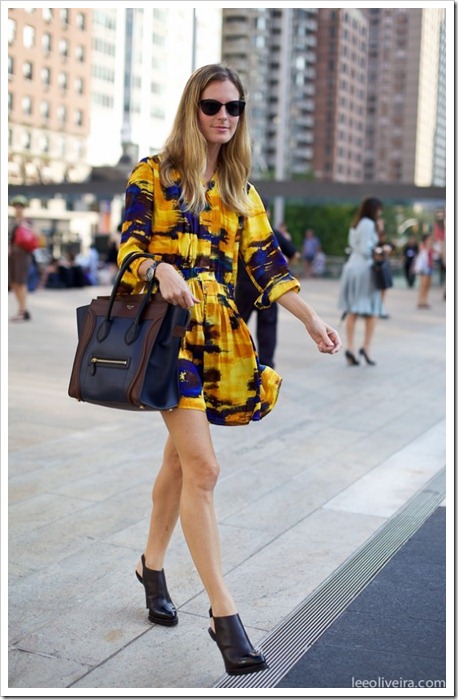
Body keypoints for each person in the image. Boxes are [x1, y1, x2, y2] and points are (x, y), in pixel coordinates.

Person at [118, 63, 341, 677]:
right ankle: (225, 617)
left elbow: (268, 265)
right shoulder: (155, 174)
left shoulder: (242, 190)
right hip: (167, 336)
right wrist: (158, 270)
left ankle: (151, 566)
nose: (223, 116)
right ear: (193, 108)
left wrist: (310, 318)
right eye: (212, 105)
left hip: (217, 337)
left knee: (178, 461)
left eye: (234, 107)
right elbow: (129, 246)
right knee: (204, 466)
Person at [235, 205, 299, 368]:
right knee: (267, 327)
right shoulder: (273, 234)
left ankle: (235, 360)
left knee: (237, 326)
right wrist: (284, 268)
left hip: (243, 287)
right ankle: (267, 365)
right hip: (267, 288)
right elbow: (295, 254)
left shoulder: (238, 230)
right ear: (267, 212)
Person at [338, 196, 384, 366]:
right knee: (372, 309)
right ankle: (366, 346)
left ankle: (350, 347)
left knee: (352, 309)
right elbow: (367, 249)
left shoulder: (356, 223)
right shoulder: (369, 224)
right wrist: (381, 247)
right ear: (374, 209)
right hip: (365, 269)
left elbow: (355, 245)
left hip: (351, 266)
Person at [8, 195, 34, 321]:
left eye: (20, 206)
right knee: (13, 283)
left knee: (21, 282)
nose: (18, 208)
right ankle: (21, 309)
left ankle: (23, 311)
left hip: (23, 254)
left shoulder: (27, 222)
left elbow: (34, 236)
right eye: (16, 206)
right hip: (11, 255)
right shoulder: (11, 221)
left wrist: (24, 226)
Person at [415, 233, 434, 309]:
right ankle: (420, 301)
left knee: (427, 286)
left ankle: (425, 301)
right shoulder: (422, 245)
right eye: (429, 239)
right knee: (423, 285)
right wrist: (428, 245)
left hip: (430, 267)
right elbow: (423, 252)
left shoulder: (432, 247)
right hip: (424, 268)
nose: (430, 240)